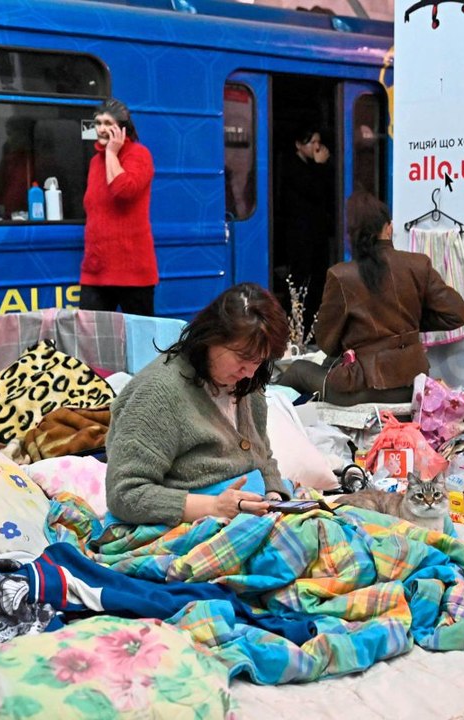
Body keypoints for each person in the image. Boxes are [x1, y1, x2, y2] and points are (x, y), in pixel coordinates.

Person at [105, 283, 292, 526]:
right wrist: (214, 506)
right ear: (211, 338)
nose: (249, 372)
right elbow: (124, 494)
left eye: (260, 361)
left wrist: (274, 498)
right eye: (243, 358)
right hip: (186, 525)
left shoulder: (248, 383)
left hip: (249, 516)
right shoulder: (158, 392)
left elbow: (261, 455)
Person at [277, 190, 464, 406]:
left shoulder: (341, 275)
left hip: (363, 390)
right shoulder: (418, 264)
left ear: (351, 235)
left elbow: (327, 343)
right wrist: (407, 324)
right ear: (389, 228)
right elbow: (457, 314)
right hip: (412, 386)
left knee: (298, 370)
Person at [80, 98, 158, 316]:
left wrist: (113, 154)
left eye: (108, 123)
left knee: (138, 338)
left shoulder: (139, 154)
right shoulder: (96, 162)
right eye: (98, 123)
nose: (101, 129)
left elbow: (124, 191)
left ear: (122, 128)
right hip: (96, 270)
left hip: (132, 271)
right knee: (89, 336)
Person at [277, 123, 334, 330]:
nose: (317, 147)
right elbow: (314, 191)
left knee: (317, 282)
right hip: (300, 237)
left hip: (315, 236)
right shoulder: (292, 168)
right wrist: (320, 166)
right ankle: (298, 327)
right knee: (301, 283)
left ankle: (311, 324)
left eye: (319, 142)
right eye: (312, 142)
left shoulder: (311, 165)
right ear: (299, 145)